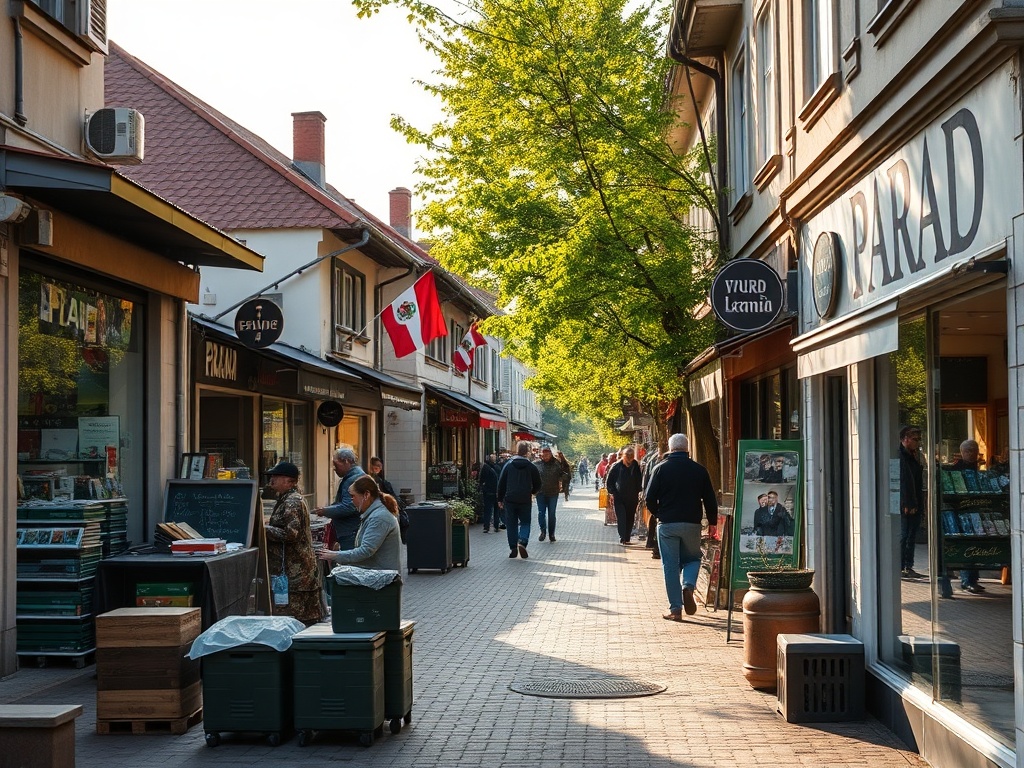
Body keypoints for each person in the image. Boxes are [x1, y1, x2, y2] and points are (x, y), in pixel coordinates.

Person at [645, 433, 718, 620]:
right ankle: (688, 586)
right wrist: (712, 523)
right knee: (693, 558)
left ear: (670, 449)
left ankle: (675, 610)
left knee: (670, 566)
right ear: (687, 449)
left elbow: (649, 498)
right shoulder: (699, 470)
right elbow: (710, 499)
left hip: (667, 524)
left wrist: (659, 514)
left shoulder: (660, 469)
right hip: (692, 524)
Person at [264, 461, 325, 626]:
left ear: (288, 480)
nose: (272, 480)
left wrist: (264, 530)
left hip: (296, 572)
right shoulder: (286, 499)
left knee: (297, 621)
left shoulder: (292, 501)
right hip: (293, 571)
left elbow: (291, 534)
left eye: (276, 476)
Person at [318, 475, 401, 573]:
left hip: (382, 577)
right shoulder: (373, 514)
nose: (351, 501)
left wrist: (334, 555)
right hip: (376, 573)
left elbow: (365, 551)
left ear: (366, 495)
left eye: (353, 496)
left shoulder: (379, 517)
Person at [313, 448, 366, 550]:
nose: (334, 468)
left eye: (336, 465)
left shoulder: (353, 479)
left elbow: (349, 507)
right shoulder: (354, 476)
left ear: (346, 461)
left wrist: (325, 511)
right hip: (351, 529)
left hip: (350, 530)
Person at [497, 441, 541, 558]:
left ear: (517, 450)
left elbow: (501, 483)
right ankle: (523, 542)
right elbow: (538, 483)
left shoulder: (508, 465)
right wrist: (532, 492)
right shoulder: (531, 466)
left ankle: (513, 548)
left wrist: (500, 499)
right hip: (525, 499)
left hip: (510, 499)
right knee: (525, 522)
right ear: (527, 452)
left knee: (511, 524)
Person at [952, 439, 985, 594]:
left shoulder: (977, 468)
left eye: (975, 450)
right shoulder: (956, 469)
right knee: (967, 545)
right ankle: (967, 581)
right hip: (962, 511)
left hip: (975, 510)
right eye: (969, 450)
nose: (972, 453)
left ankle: (974, 579)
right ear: (963, 452)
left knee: (976, 545)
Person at [898, 426, 926, 580]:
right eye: (915, 439)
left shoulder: (914, 456)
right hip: (907, 503)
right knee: (904, 535)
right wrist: (907, 503)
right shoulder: (901, 456)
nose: (917, 443)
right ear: (905, 439)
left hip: (914, 500)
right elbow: (904, 481)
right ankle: (901, 566)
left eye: (918, 439)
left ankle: (908, 566)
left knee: (911, 535)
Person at [606, 446, 642, 545]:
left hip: (632, 496)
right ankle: (623, 537)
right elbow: (609, 481)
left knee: (630, 517)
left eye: (631, 455)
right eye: (628, 455)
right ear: (624, 456)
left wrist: (639, 491)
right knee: (622, 517)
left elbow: (639, 479)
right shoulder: (617, 466)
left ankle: (627, 537)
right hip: (619, 497)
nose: (630, 458)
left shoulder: (635, 465)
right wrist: (612, 492)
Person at [369, 456, 409, 544]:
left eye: (379, 468)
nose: (378, 470)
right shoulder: (375, 481)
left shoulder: (381, 481)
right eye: (376, 467)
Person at [534, 446, 569, 542]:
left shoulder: (556, 464)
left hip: (553, 493)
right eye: (543, 455)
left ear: (550, 454)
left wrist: (562, 458)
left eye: (547, 455)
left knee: (551, 514)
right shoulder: (536, 464)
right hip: (540, 492)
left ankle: (551, 534)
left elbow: (565, 470)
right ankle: (543, 532)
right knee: (541, 513)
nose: (545, 457)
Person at [478, 454, 500, 532]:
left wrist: (482, 487)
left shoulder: (485, 468)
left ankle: (486, 527)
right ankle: (496, 526)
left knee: (487, 509)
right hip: (497, 492)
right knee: (496, 509)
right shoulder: (498, 468)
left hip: (487, 492)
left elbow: (481, 479)